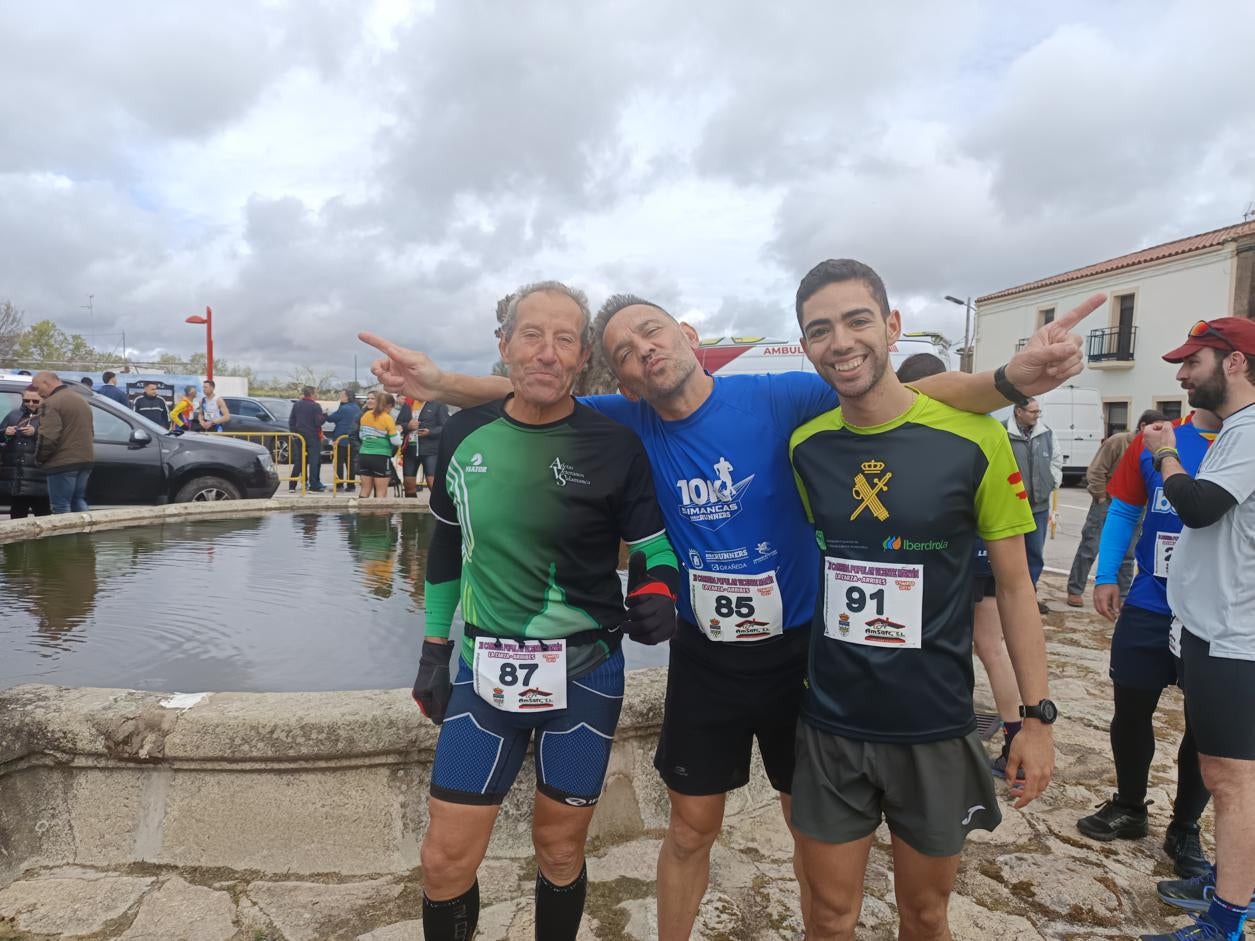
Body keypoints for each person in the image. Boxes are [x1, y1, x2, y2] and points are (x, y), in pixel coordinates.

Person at [362, 280, 1099, 941]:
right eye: (623, 350)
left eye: (651, 331)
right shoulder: (628, 420)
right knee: (689, 827)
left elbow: (909, 396)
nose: (643, 351)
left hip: (798, 657)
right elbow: (530, 388)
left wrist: (1006, 380)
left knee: (806, 831)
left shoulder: (780, 394)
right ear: (615, 375)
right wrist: (434, 382)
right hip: (706, 657)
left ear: (686, 331)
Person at [788, 259, 1055, 941]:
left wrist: (1036, 717)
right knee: (826, 914)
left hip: (932, 725)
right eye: (819, 329)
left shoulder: (975, 437)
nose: (840, 341)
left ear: (891, 326)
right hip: (831, 724)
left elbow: (1017, 584)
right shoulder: (805, 447)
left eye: (856, 320)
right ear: (805, 345)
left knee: (926, 914)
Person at [408, 281, 680, 941]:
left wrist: (657, 592)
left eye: (564, 339)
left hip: (584, 675)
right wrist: (433, 649)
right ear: (503, 345)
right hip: (483, 673)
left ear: (582, 357)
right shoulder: (465, 433)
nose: (547, 352)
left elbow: (655, 547)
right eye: (532, 334)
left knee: (559, 851)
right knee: (444, 859)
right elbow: (446, 546)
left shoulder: (613, 444)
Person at [1138, 318, 1255, 941]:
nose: (1181, 375)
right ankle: (1235, 881)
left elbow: (1200, 506)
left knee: (1232, 780)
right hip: (1217, 628)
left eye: (1193, 362)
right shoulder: (1239, 429)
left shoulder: (1249, 429)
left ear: (1234, 364)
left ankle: (1227, 919)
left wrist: (1164, 454)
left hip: (1234, 636)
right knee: (1229, 775)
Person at [1077, 405, 1219, 878]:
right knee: (1131, 708)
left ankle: (1185, 826)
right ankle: (1130, 805)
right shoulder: (1156, 439)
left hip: (1217, 612)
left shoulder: (1243, 441)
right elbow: (1123, 509)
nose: (1184, 378)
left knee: (1203, 724)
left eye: (1194, 365)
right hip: (1150, 602)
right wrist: (1105, 574)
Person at [896, 353, 1026, 780]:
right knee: (992, 648)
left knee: (928, 646)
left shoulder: (924, 434)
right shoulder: (986, 429)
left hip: (953, 559)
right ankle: (1014, 733)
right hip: (989, 553)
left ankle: (935, 737)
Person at [1065, 411, 1166, 607]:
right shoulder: (1118, 442)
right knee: (1090, 547)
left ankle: (1123, 596)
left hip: (1136, 506)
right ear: (1143, 425)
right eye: (1157, 427)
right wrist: (1101, 497)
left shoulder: (1156, 449)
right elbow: (1096, 470)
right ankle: (1075, 589)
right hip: (1108, 502)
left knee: (1128, 553)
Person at [1005, 396, 1062, 612]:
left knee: (1034, 552)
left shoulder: (1046, 433)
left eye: (1038, 411)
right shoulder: (1003, 432)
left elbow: (1056, 460)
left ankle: (1029, 597)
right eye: (1033, 412)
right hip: (1010, 506)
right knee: (1009, 552)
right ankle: (1008, 596)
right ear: (1018, 411)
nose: (1037, 415)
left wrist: (1052, 482)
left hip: (1038, 506)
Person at [30, 371, 94, 514]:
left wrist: (39, 459)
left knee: (60, 507)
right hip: (85, 459)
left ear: (46, 383)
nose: (37, 392)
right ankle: (84, 535)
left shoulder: (51, 403)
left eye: (37, 387)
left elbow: (48, 437)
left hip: (62, 463)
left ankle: (64, 537)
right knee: (78, 501)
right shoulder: (81, 400)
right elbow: (90, 430)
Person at [1, 386, 50, 518]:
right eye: (27, 400)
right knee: (17, 515)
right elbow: (2, 436)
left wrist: (36, 433)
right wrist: (5, 432)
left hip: (39, 476)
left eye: (35, 401)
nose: (30, 404)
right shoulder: (14, 414)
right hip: (17, 476)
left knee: (43, 515)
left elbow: (57, 440)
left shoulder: (49, 416)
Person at [397, 396, 450, 494]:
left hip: (430, 450)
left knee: (432, 483)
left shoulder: (438, 404)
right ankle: (411, 508)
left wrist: (430, 432)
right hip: (410, 449)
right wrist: (408, 426)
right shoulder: (408, 403)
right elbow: (398, 424)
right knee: (408, 484)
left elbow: (446, 426)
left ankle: (438, 507)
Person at [357, 391, 400, 498]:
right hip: (380, 456)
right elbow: (396, 441)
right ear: (389, 406)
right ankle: (380, 515)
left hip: (364, 455)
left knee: (365, 490)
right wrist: (398, 431)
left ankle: (362, 514)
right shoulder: (387, 418)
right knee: (381, 492)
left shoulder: (366, 415)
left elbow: (362, 436)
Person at [288, 386, 327, 493]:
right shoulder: (315, 406)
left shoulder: (297, 404)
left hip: (299, 436)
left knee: (299, 460)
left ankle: (292, 484)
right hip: (313, 436)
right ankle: (313, 484)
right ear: (312, 394)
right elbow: (318, 422)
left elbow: (292, 420)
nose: (317, 395)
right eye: (316, 393)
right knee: (314, 461)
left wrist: (293, 432)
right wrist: (325, 415)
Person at [325, 390, 362, 492]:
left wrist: (325, 414)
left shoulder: (344, 408)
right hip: (353, 439)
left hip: (341, 440)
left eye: (341, 395)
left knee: (339, 463)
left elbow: (332, 418)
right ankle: (351, 485)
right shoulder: (357, 408)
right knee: (350, 463)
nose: (340, 397)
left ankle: (339, 485)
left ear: (347, 397)